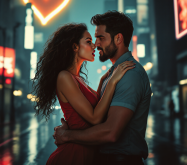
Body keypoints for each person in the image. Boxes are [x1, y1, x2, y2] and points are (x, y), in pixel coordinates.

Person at [53, 11, 152, 165]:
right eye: (92, 40)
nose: (96, 44)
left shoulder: (129, 74)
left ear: (118, 38)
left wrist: (67, 135)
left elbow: (110, 132)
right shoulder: (113, 75)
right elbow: (96, 114)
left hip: (121, 160)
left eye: (100, 38)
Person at [31, 22, 135, 165]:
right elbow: (94, 118)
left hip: (86, 153)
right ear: (74, 47)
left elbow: (96, 105)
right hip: (72, 155)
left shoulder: (77, 78)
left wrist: (103, 81)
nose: (94, 46)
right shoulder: (64, 77)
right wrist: (112, 82)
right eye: (88, 42)